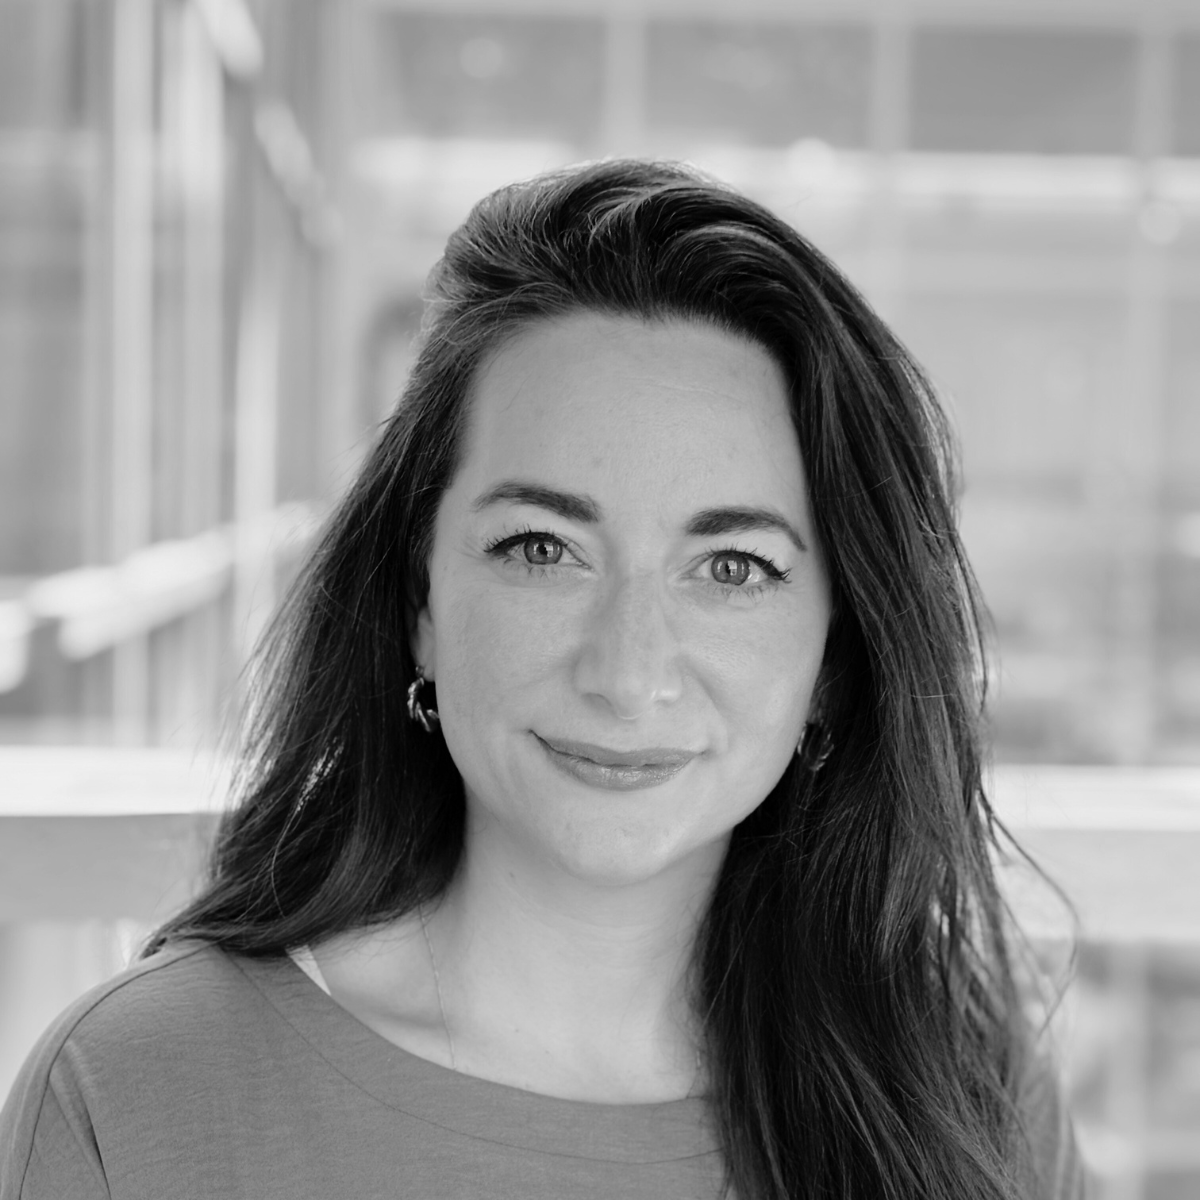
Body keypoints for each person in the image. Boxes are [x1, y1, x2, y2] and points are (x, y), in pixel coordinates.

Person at [0, 159, 1085, 1199]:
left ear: (833, 664)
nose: (627, 674)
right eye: (540, 549)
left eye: (734, 568)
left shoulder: (965, 1093)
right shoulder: (137, 1094)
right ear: (418, 604)